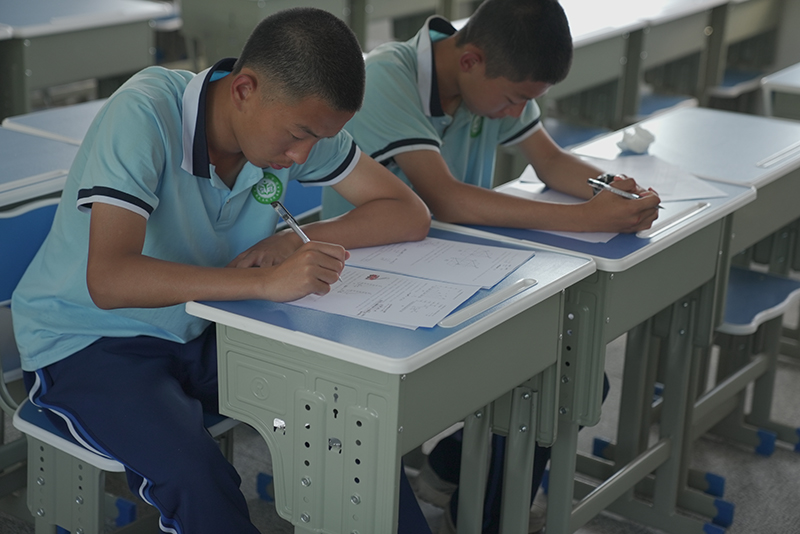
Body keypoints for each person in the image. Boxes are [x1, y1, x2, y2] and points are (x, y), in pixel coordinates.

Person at [11, 8, 431, 534]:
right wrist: (264, 282)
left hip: (202, 324)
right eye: (298, 135)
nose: (303, 155)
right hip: (88, 340)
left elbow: (406, 212)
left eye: (317, 140)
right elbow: (109, 280)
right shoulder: (146, 113)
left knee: (348, 420)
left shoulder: (299, 123)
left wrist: (291, 241)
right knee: (196, 477)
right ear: (244, 89)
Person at [319, 0, 660, 532]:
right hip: (373, 282)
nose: (513, 111)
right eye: (514, 99)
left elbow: (550, 160)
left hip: (458, 270)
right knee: (540, 374)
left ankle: (460, 482)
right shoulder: (389, 77)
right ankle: (482, 510)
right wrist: (586, 218)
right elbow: (446, 199)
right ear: (470, 60)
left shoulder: (489, 80)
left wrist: (610, 191)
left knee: (571, 377)